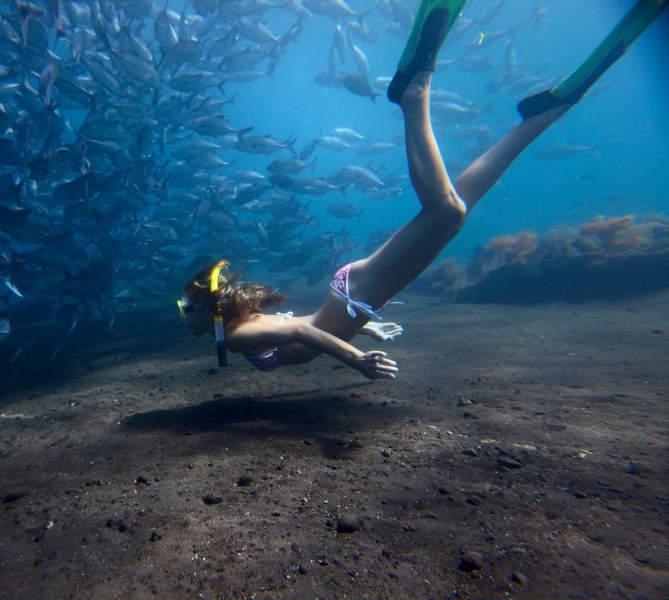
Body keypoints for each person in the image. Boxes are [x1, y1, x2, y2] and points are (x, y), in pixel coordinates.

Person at [177, 0, 666, 380]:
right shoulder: (239, 328)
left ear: (210, 306)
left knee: (448, 213)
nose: (184, 318)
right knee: (457, 209)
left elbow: (305, 330)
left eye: (186, 308)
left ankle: (414, 96)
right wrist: (366, 327)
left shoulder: (238, 336)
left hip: (358, 293)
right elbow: (306, 327)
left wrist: (356, 361)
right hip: (357, 300)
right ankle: (535, 121)